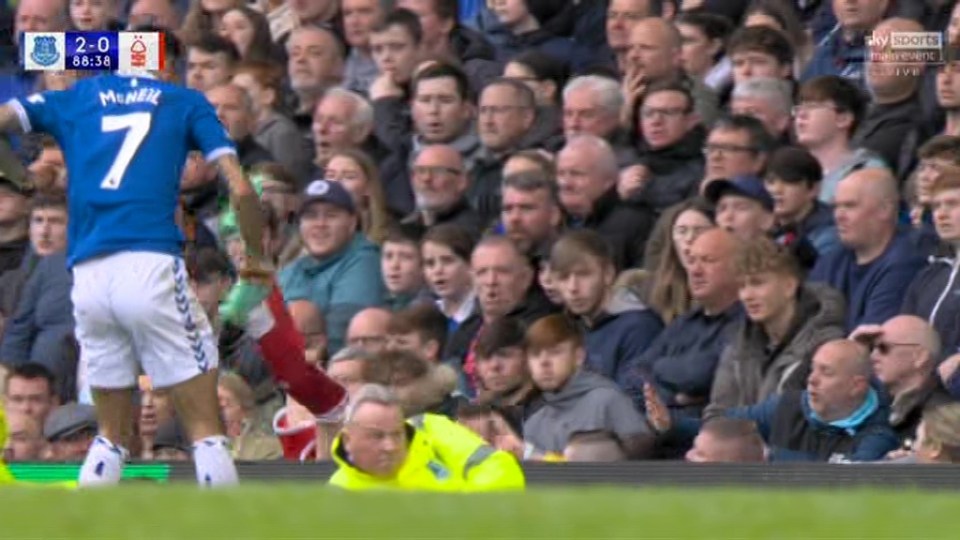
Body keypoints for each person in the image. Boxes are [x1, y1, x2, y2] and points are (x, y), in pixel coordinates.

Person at [0, 67, 268, 487]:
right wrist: (257, 258)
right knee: (205, 429)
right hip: (150, 263)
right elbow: (243, 188)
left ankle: (86, 529)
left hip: (88, 276)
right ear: (165, 66)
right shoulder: (184, 101)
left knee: (111, 434)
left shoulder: (78, 97)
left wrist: (21, 181)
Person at [329, 384, 525, 491]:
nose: (390, 446)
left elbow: (501, 470)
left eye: (397, 433)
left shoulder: (430, 428)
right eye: (376, 436)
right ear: (348, 441)